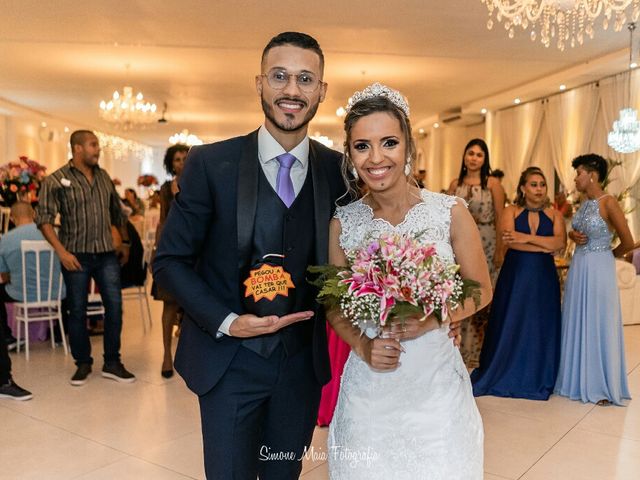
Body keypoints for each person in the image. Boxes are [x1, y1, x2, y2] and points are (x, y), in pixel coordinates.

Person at [153, 32, 347, 479]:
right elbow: (169, 261)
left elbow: (355, 261)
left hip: (299, 365)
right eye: (279, 76)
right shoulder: (209, 164)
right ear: (259, 83)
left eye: (304, 78)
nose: (292, 90)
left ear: (321, 90)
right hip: (228, 363)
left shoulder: (338, 172)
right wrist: (226, 321)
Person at [326, 84, 492, 479]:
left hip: (435, 388)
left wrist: (433, 319)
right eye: (362, 146)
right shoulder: (343, 222)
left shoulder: (449, 212)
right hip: (371, 385)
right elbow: (333, 304)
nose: (377, 158)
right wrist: (364, 346)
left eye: (388, 142)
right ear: (349, 155)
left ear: (408, 148)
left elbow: (482, 289)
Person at [36, 130, 135, 386]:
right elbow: (43, 219)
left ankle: (112, 362)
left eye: (98, 145)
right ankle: (83, 363)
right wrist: (61, 251)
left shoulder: (103, 177)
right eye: (93, 145)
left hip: (106, 254)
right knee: (77, 310)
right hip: (75, 255)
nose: (98, 149)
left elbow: (117, 212)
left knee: (115, 307)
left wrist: (123, 241)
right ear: (77, 148)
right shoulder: (56, 180)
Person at [471, 167, 565, 400]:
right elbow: (511, 243)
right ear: (523, 188)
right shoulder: (510, 210)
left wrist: (526, 237)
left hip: (544, 277)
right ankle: (504, 372)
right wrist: (542, 243)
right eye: (533, 184)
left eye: (542, 184)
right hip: (516, 275)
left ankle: (537, 376)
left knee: (539, 324)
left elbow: (559, 243)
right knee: (511, 321)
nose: (539, 189)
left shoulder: (555, 215)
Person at [555, 154, 634, 406]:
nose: (576, 178)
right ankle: (575, 379)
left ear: (593, 175)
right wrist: (571, 233)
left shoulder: (608, 202)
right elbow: (578, 229)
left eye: (578, 173)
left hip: (599, 267)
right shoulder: (584, 203)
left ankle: (600, 385)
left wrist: (608, 254)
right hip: (579, 266)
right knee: (577, 316)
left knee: (598, 318)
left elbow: (629, 242)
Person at [448, 138, 505, 368]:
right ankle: (459, 351)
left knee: (482, 295)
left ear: (485, 159)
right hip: (458, 243)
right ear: (464, 156)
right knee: (461, 293)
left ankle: (481, 354)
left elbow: (501, 218)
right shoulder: (455, 184)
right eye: (470, 153)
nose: (473, 158)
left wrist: (501, 249)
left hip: (487, 241)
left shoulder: (493, 184)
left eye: (479, 154)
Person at [0, 202, 64, 352]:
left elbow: (4, 274)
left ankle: (7, 337)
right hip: (56, 292)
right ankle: (60, 334)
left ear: (13, 219)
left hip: (22, 293)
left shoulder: (6, 239)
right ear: (34, 214)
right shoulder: (54, 233)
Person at [151, 143, 188, 378]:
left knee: (195, 307)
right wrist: (157, 252)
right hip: (171, 250)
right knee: (169, 304)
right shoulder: (165, 189)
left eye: (185, 158)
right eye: (177, 159)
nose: (182, 163)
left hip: (195, 252)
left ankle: (191, 356)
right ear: (170, 163)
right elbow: (162, 221)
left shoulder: (200, 185)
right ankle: (166, 355)